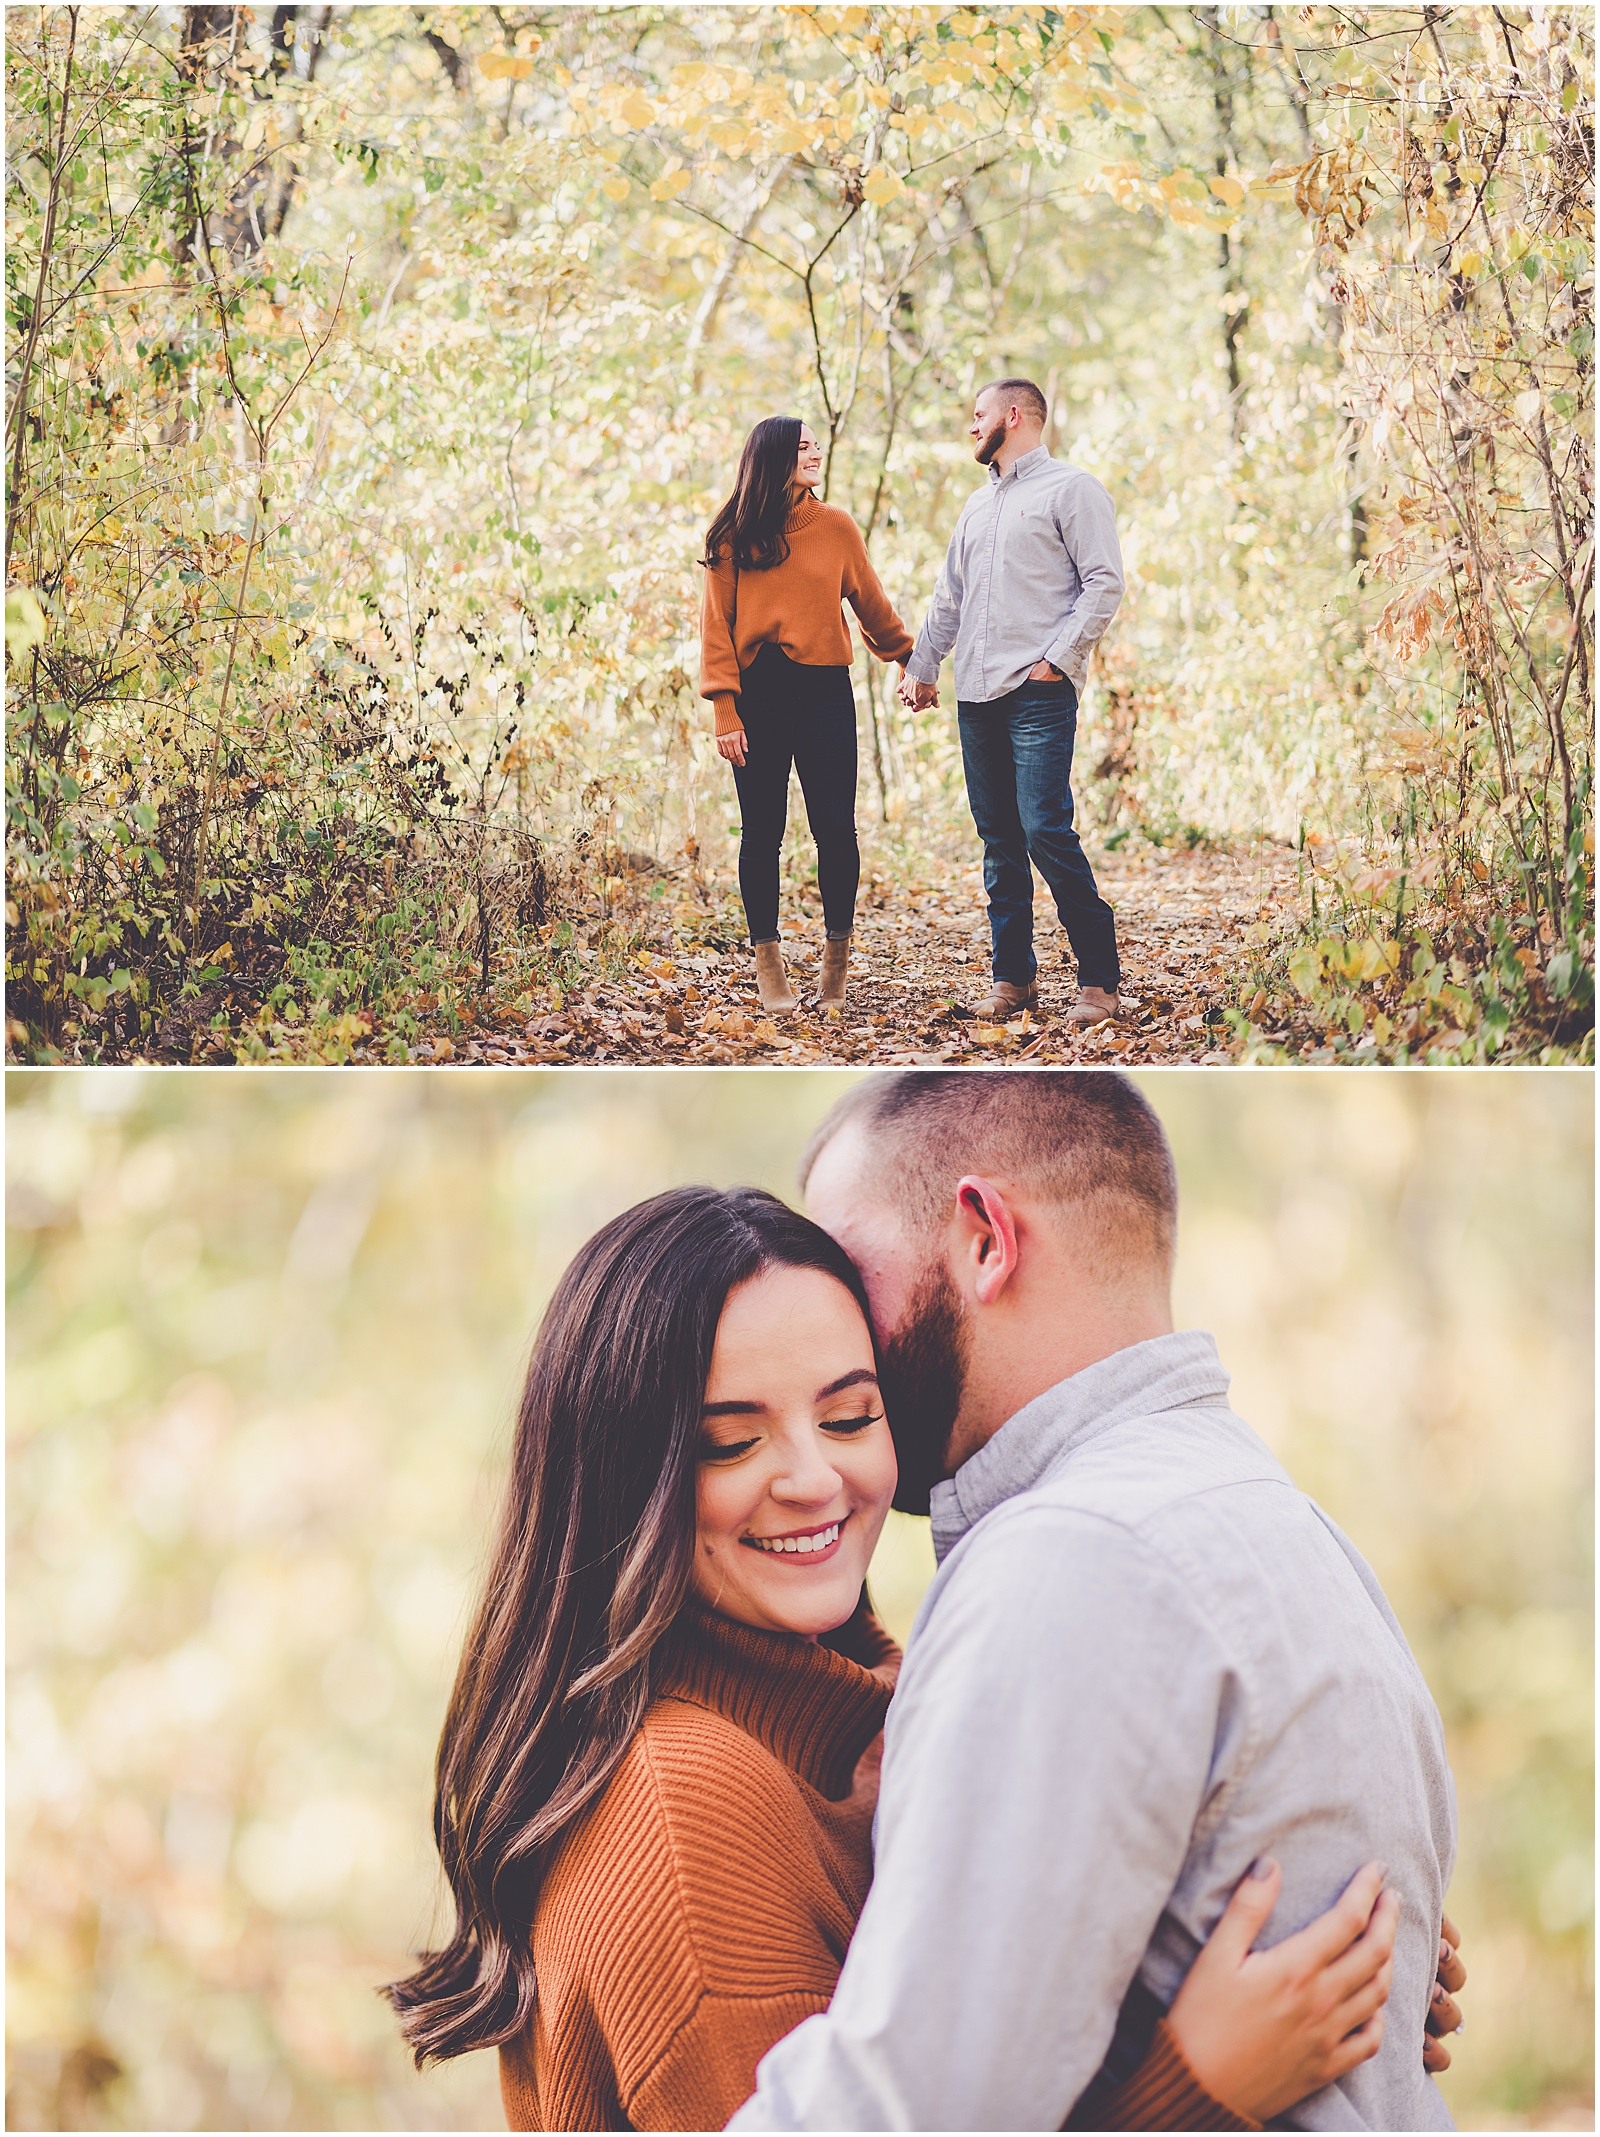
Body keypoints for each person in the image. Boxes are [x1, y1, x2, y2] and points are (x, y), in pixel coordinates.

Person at [385, 1184, 1415, 2133]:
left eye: (848, 1416)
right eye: (729, 1442)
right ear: (623, 1478)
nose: (813, 1477)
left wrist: (1319, 1960)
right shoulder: (687, 1808)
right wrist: (1198, 2084)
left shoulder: (864, 1724)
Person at [727, 1070, 1464, 2131]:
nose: (838, 1330)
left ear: (985, 1235)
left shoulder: (1072, 1560)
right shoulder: (1277, 1518)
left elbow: (913, 2108)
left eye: (852, 1269)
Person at [899, 377, 1125, 1030]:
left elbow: (1104, 582)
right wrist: (923, 665)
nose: (971, 428)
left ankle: (1099, 981)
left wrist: (1058, 660)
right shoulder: (975, 507)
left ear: (1014, 416)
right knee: (999, 842)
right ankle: (1014, 978)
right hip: (975, 693)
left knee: (1045, 830)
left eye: (979, 415)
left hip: (1037, 693)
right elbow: (950, 597)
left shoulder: (1071, 489)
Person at [700, 417, 915, 1018]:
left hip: (824, 693)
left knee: (835, 830)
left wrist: (911, 659)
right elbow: (716, 628)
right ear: (771, 458)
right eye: (801, 446)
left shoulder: (837, 528)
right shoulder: (733, 534)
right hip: (758, 694)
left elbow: (871, 604)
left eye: (815, 444)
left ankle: (835, 968)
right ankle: (769, 966)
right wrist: (725, 711)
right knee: (761, 833)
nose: (814, 452)